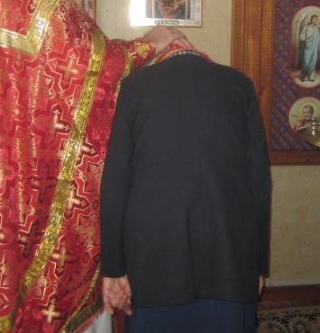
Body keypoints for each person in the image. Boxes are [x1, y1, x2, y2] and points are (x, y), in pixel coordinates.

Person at [0, 0, 186, 333]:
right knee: (46, 292)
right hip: (37, 175)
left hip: (6, 168)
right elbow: (93, 64)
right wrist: (153, 42)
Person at [99, 41, 272, 333]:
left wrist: (114, 269)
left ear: (161, 58)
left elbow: (115, 183)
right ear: (203, 56)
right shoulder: (240, 85)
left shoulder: (135, 86)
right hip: (230, 260)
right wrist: (257, 264)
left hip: (154, 260)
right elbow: (260, 184)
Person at [298, 13, 320, 82]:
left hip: (314, 47)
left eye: (316, 20)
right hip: (307, 46)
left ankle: (311, 77)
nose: (315, 20)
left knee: (313, 60)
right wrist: (304, 37)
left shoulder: (316, 28)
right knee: (306, 61)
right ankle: (304, 77)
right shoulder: (306, 26)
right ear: (311, 19)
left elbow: (318, 37)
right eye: (314, 19)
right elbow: (302, 35)